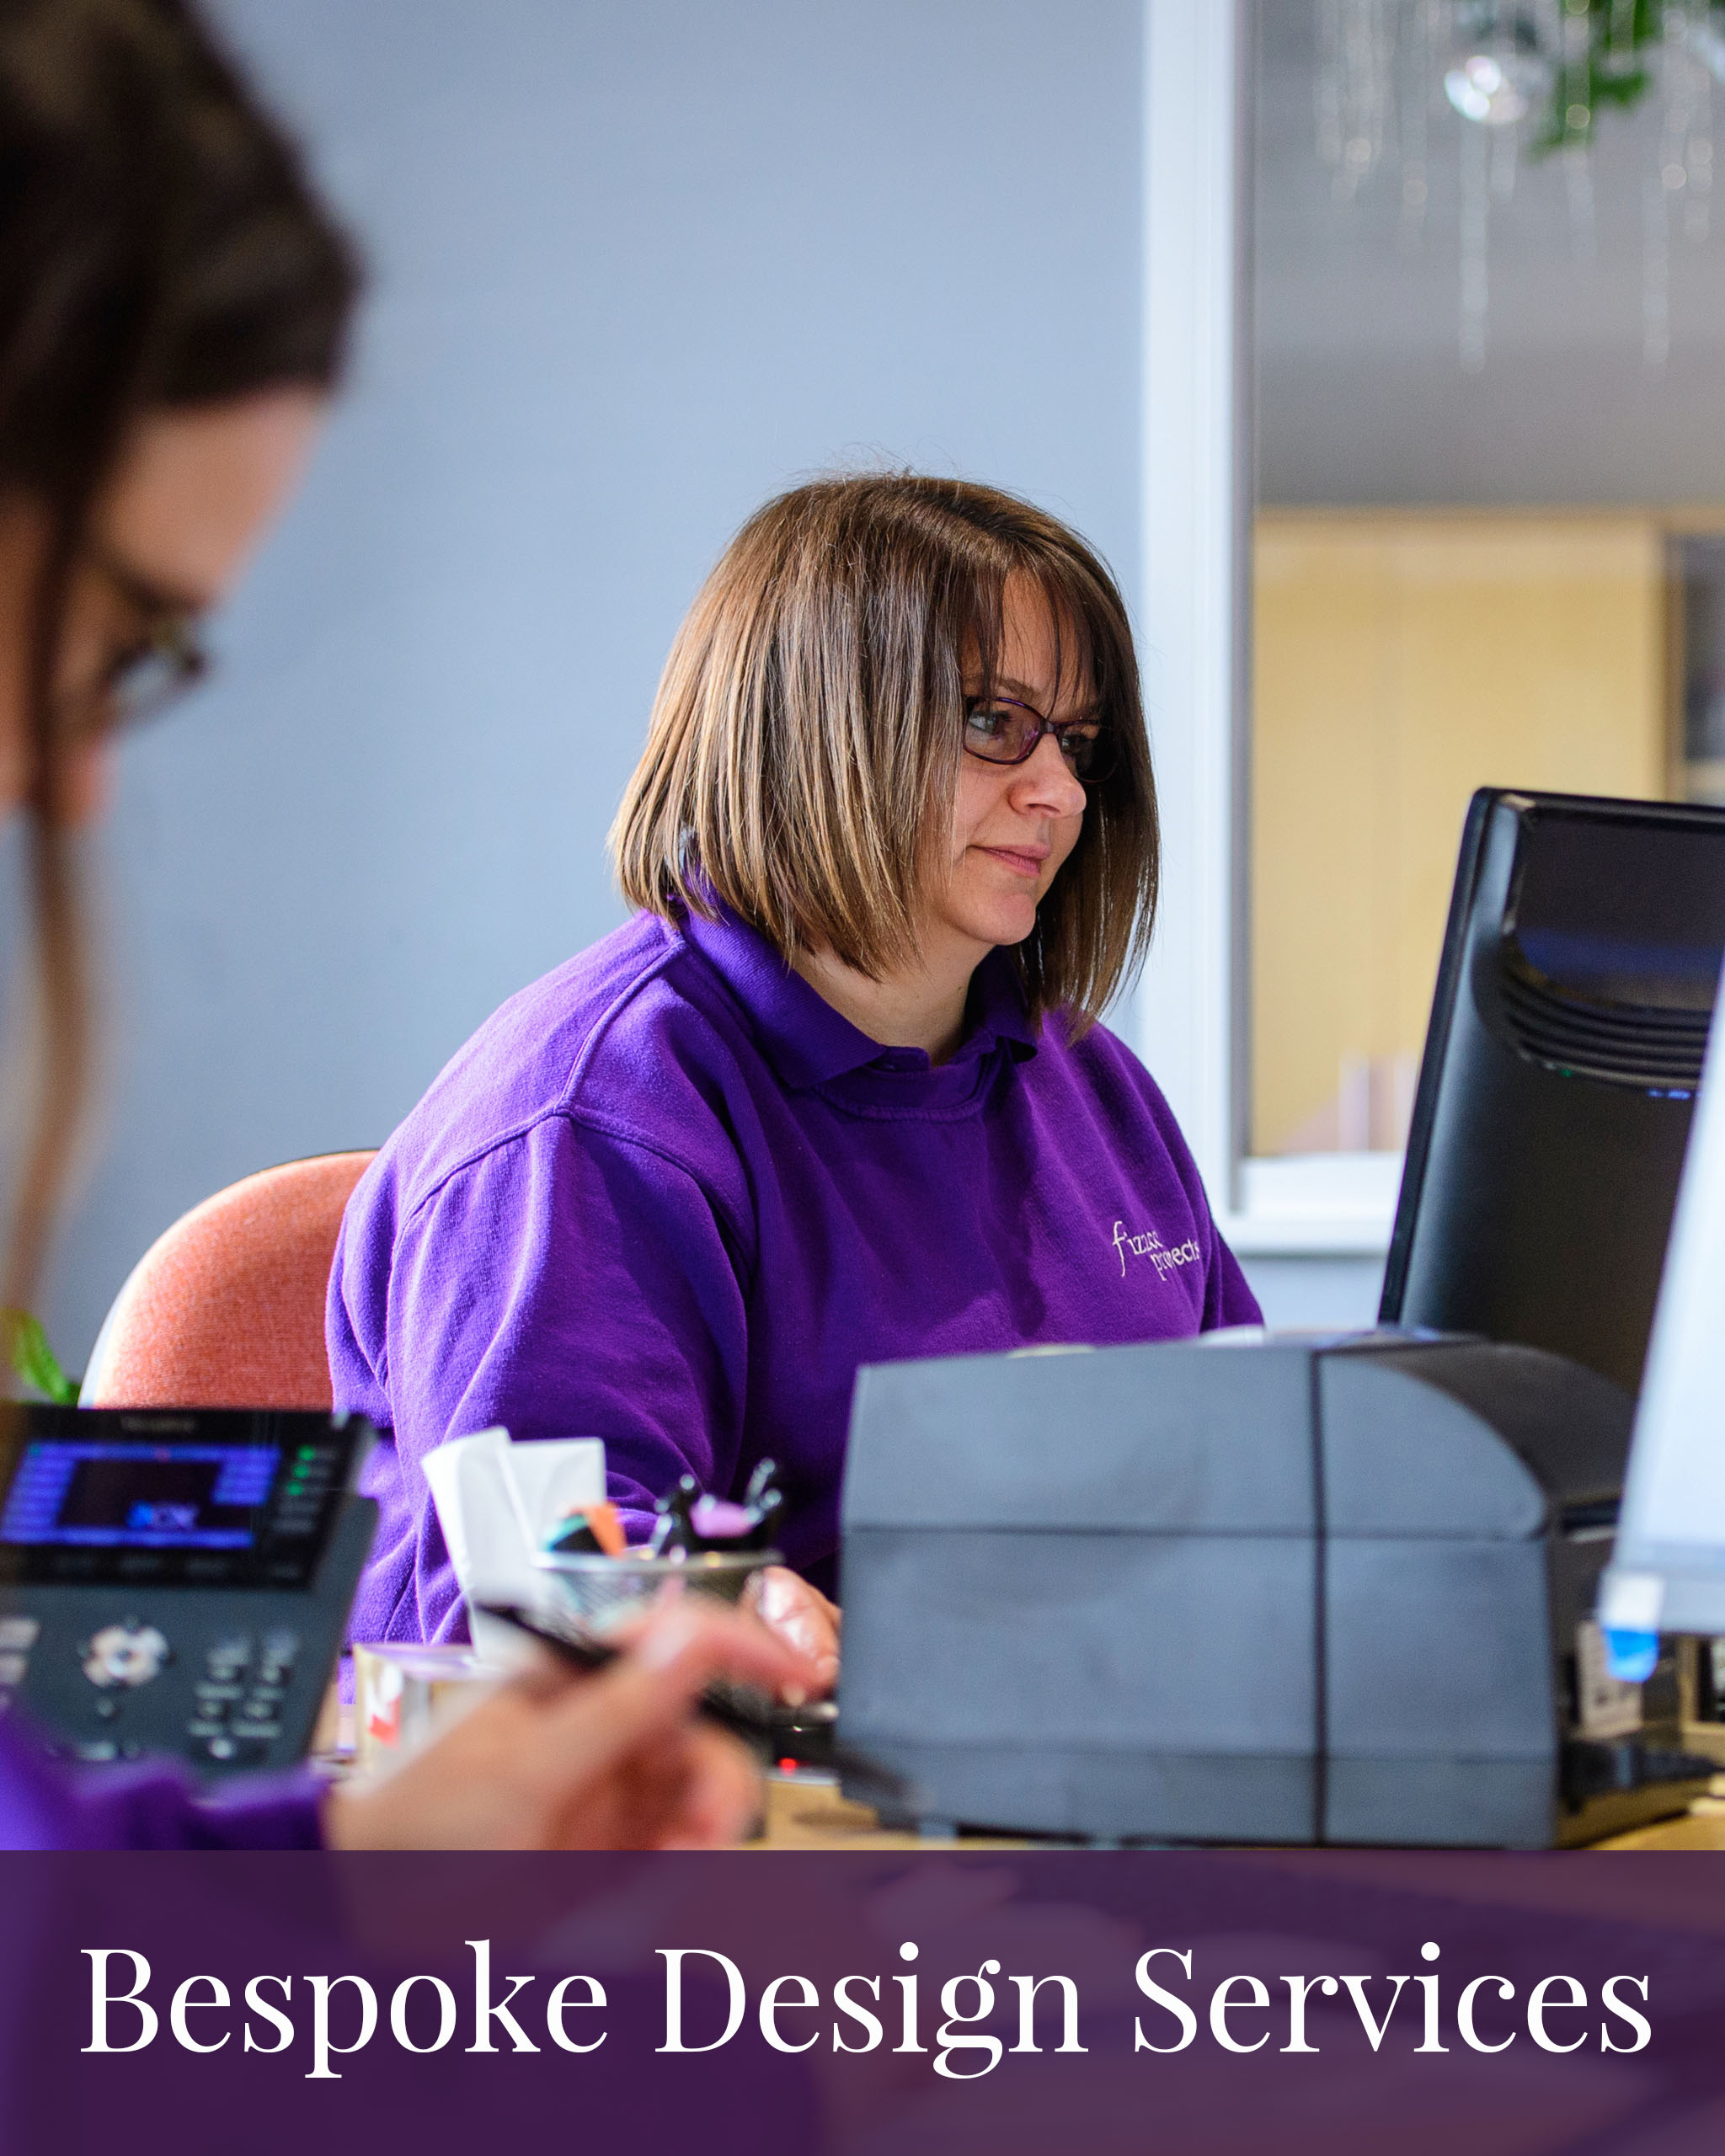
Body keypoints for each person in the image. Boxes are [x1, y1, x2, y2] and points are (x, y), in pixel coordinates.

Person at [0, 0, 814, 1851]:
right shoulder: (591, 1099)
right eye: (111, 635)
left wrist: (360, 1868)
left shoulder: (1078, 1093)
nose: (77, 781)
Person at [329, 474, 1263, 1673]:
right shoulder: (595, 1114)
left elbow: (1258, 1488)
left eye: (1078, 742)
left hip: (1088, 1768)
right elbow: (554, 1607)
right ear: (815, 723)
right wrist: (719, 1615)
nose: (1063, 792)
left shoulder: (1098, 1092)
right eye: (996, 723)